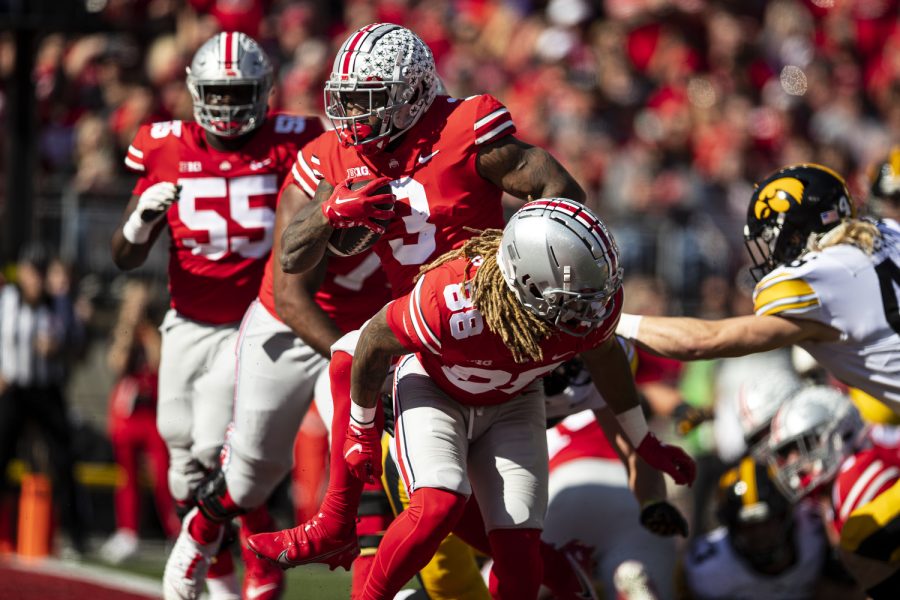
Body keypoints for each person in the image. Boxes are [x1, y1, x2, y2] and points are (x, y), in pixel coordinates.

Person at [249, 20, 588, 583]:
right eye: (348, 100)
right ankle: (336, 521)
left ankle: (558, 569)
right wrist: (331, 212)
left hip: (490, 316)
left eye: (370, 100)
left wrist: (520, 265)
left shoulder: (464, 126)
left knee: (503, 533)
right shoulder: (339, 156)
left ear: (410, 94)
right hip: (426, 329)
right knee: (358, 369)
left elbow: (561, 191)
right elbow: (290, 257)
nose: (355, 116)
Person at [254, 199, 696, 599]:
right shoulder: (452, 299)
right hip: (435, 388)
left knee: (520, 557)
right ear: (526, 283)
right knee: (437, 504)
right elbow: (357, 348)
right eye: (576, 299)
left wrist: (645, 441)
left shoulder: (590, 313)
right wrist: (360, 432)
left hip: (514, 401)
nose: (594, 310)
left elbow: (607, 360)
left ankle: (563, 579)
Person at [109, 31, 324, 600]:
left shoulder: (292, 140)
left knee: (213, 446)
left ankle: (257, 565)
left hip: (254, 319)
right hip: (186, 319)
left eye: (239, 93)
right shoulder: (162, 145)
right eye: (218, 94)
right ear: (194, 91)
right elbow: (124, 256)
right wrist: (139, 223)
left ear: (265, 92)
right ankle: (226, 571)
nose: (228, 106)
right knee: (180, 454)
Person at [614, 163, 900, 414]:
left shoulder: (816, 278)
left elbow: (704, 341)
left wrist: (613, 320)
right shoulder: (888, 232)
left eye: (772, 238)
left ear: (795, 233)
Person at [762, 385, 898, 599]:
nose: (792, 461)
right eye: (787, 452)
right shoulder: (833, 493)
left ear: (841, 432)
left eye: (803, 445)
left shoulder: (855, 480)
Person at [0, 244, 88, 557]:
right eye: (30, 272)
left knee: (63, 460)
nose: (35, 279)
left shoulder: (61, 305)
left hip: (47, 388)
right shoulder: (7, 300)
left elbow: (80, 349)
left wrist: (59, 349)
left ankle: (75, 536)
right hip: (14, 388)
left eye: (40, 272)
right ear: (21, 273)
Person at [99, 279, 179, 564]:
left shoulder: (156, 330)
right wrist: (127, 329)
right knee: (127, 475)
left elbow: (159, 361)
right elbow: (116, 362)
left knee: (162, 474)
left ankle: (175, 531)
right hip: (127, 413)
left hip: (153, 412)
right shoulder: (121, 331)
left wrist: (144, 330)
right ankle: (128, 531)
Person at [682, 457, 831, 599]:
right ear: (732, 526)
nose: (760, 534)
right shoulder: (708, 570)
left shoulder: (816, 529)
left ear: (786, 515)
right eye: (748, 526)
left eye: (767, 523)